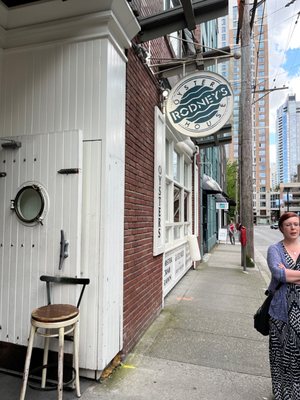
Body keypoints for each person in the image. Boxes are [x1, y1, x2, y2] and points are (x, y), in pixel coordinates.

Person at [267, 211, 300, 399]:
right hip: (281, 313)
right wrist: (285, 274)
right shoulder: (275, 249)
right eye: (288, 224)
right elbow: (279, 275)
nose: (293, 228)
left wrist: (289, 274)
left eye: (296, 224)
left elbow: (285, 273)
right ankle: (284, 394)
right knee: (283, 354)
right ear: (281, 228)